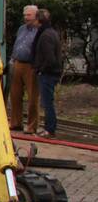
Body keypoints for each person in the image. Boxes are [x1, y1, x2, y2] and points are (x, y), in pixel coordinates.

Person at [8, 4, 40, 133]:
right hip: (17, 63)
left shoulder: (39, 30)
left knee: (33, 96)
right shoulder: (21, 29)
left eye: (29, 15)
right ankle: (16, 122)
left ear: (36, 16)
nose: (26, 18)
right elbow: (17, 43)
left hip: (31, 65)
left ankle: (32, 126)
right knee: (15, 95)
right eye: (25, 15)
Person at [32, 9, 61, 138]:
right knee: (47, 101)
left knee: (47, 102)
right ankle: (49, 127)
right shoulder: (52, 33)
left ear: (38, 20)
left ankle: (50, 129)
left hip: (48, 74)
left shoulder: (45, 36)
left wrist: (41, 70)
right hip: (51, 73)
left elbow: (50, 58)